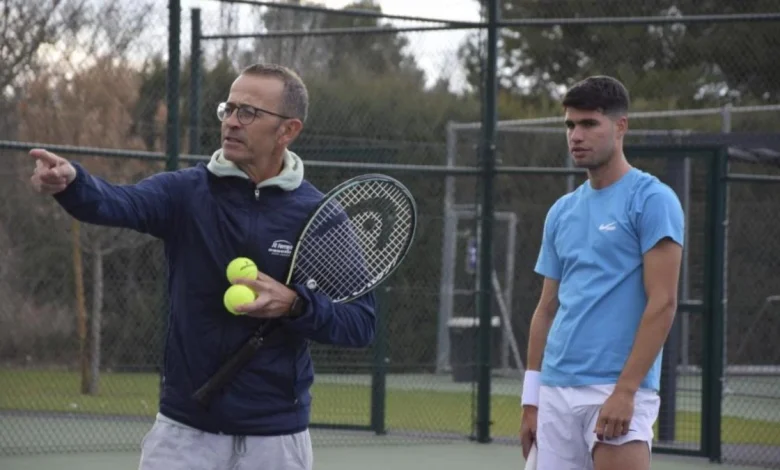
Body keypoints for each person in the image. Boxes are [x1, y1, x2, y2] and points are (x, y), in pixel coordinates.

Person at [29, 63, 377, 470]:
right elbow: (118, 202)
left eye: (248, 112)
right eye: (228, 109)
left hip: (277, 438)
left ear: (288, 130)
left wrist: (295, 305)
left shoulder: (319, 216)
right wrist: (73, 184)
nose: (231, 121)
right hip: (182, 435)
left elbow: (361, 322)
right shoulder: (186, 193)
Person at [519, 75, 684, 470]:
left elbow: (663, 303)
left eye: (589, 124)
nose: (576, 135)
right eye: (570, 125)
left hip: (616, 389)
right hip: (555, 391)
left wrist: (625, 391)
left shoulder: (652, 199)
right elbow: (546, 309)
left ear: (620, 126)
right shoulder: (561, 211)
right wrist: (531, 399)